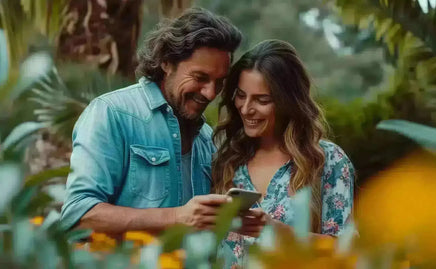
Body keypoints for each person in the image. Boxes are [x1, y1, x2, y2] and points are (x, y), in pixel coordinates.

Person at [60, 8, 243, 235]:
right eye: (200, 78)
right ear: (167, 62)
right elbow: (78, 216)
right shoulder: (112, 114)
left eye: (219, 82)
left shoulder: (207, 138)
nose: (210, 93)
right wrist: (176, 217)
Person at [212, 40, 355, 267]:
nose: (246, 108)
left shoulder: (327, 161)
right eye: (241, 95)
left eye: (262, 100)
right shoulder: (226, 159)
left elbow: (346, 252)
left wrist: (277, 231)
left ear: (288, 102)